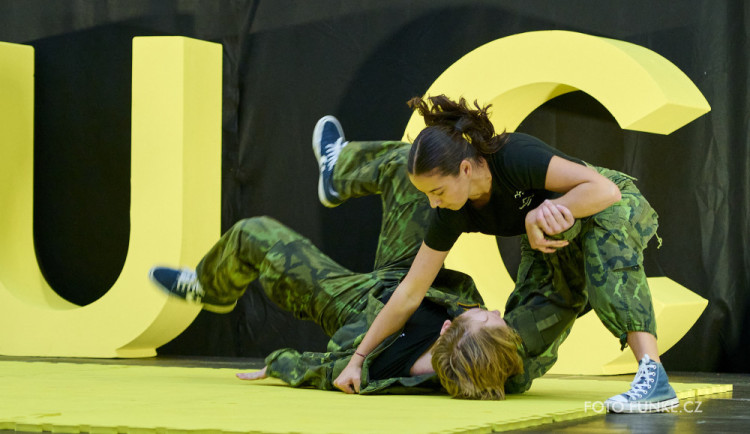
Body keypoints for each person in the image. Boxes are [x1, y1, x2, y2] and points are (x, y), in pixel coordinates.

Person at [334, 95, 678, 413]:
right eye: (427, 195)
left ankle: (654, 376)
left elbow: (605, 191)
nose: (432, 202)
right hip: (551, 241)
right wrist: (359, 358)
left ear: (465, 170)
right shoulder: (451, 212)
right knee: (508, 360)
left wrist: (540, 214)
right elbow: (410, 292)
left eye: (437, 191)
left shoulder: (512, 155)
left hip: (603, 209)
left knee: (606, 263)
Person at [149, 116, 523, 396]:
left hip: (353, 305)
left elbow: (329, 369)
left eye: (489, 318)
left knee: (253, 234)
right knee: (408, 162)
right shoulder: (493, 356)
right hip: (403, 277)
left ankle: (210, 287)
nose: (495, 312)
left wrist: (281, 365)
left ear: (448, 330)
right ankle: (339, 171)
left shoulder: (388, 369)